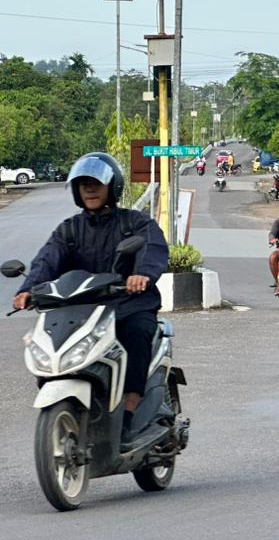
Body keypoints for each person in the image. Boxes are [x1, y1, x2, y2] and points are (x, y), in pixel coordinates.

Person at [10, 152, 169, 446]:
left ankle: (130, 413)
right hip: (83, 309)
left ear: (112, 186)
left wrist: (142, 275)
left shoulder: (134, 223)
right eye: (83, 184)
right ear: (75, 190)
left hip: (129, 305)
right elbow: (47, 259)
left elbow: (152, 247)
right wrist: (29, 289)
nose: (89, 189)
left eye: (95, 183)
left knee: (136, 333)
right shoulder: (70, 229)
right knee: (52, 344)